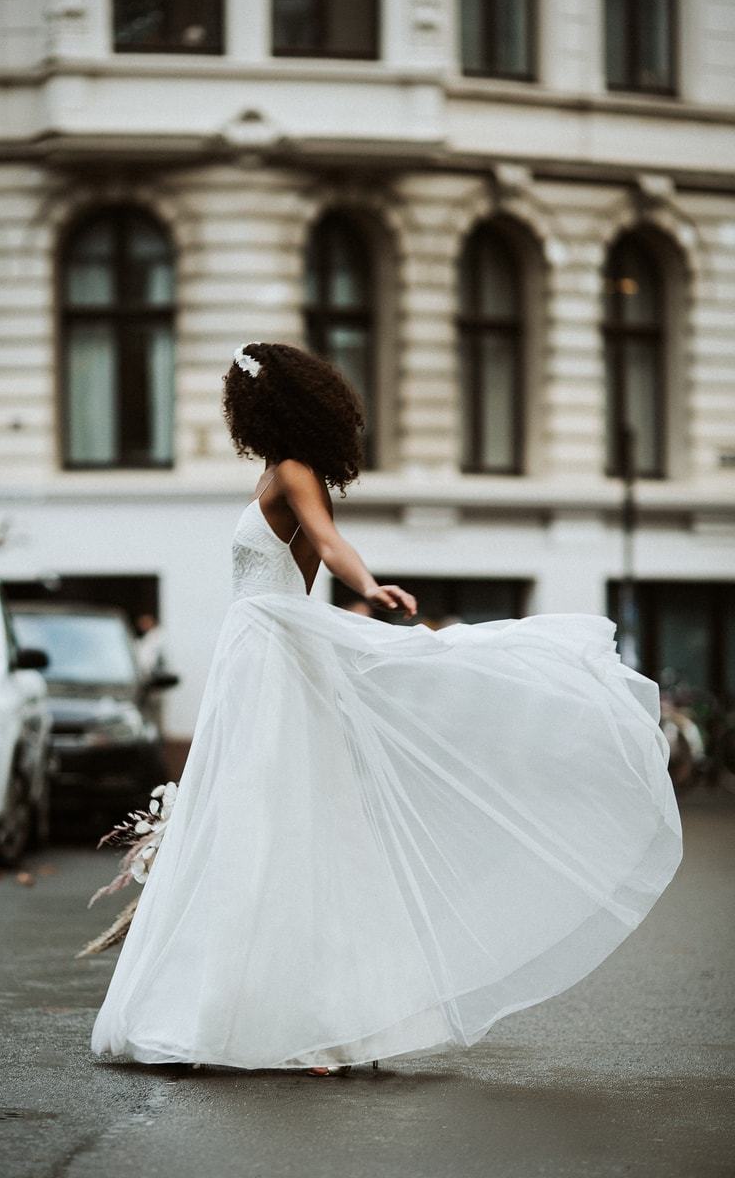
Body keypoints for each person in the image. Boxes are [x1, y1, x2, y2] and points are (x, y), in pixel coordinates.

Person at [91, 342, 683, 1077]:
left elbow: (332, 545)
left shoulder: (292, 474)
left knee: (269, 824)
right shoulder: (275, 475)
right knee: (265, 824)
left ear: (262, 409)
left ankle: (283, 1020)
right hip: (257, 658)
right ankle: (275, 1013)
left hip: (272, 657)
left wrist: (370, 586)